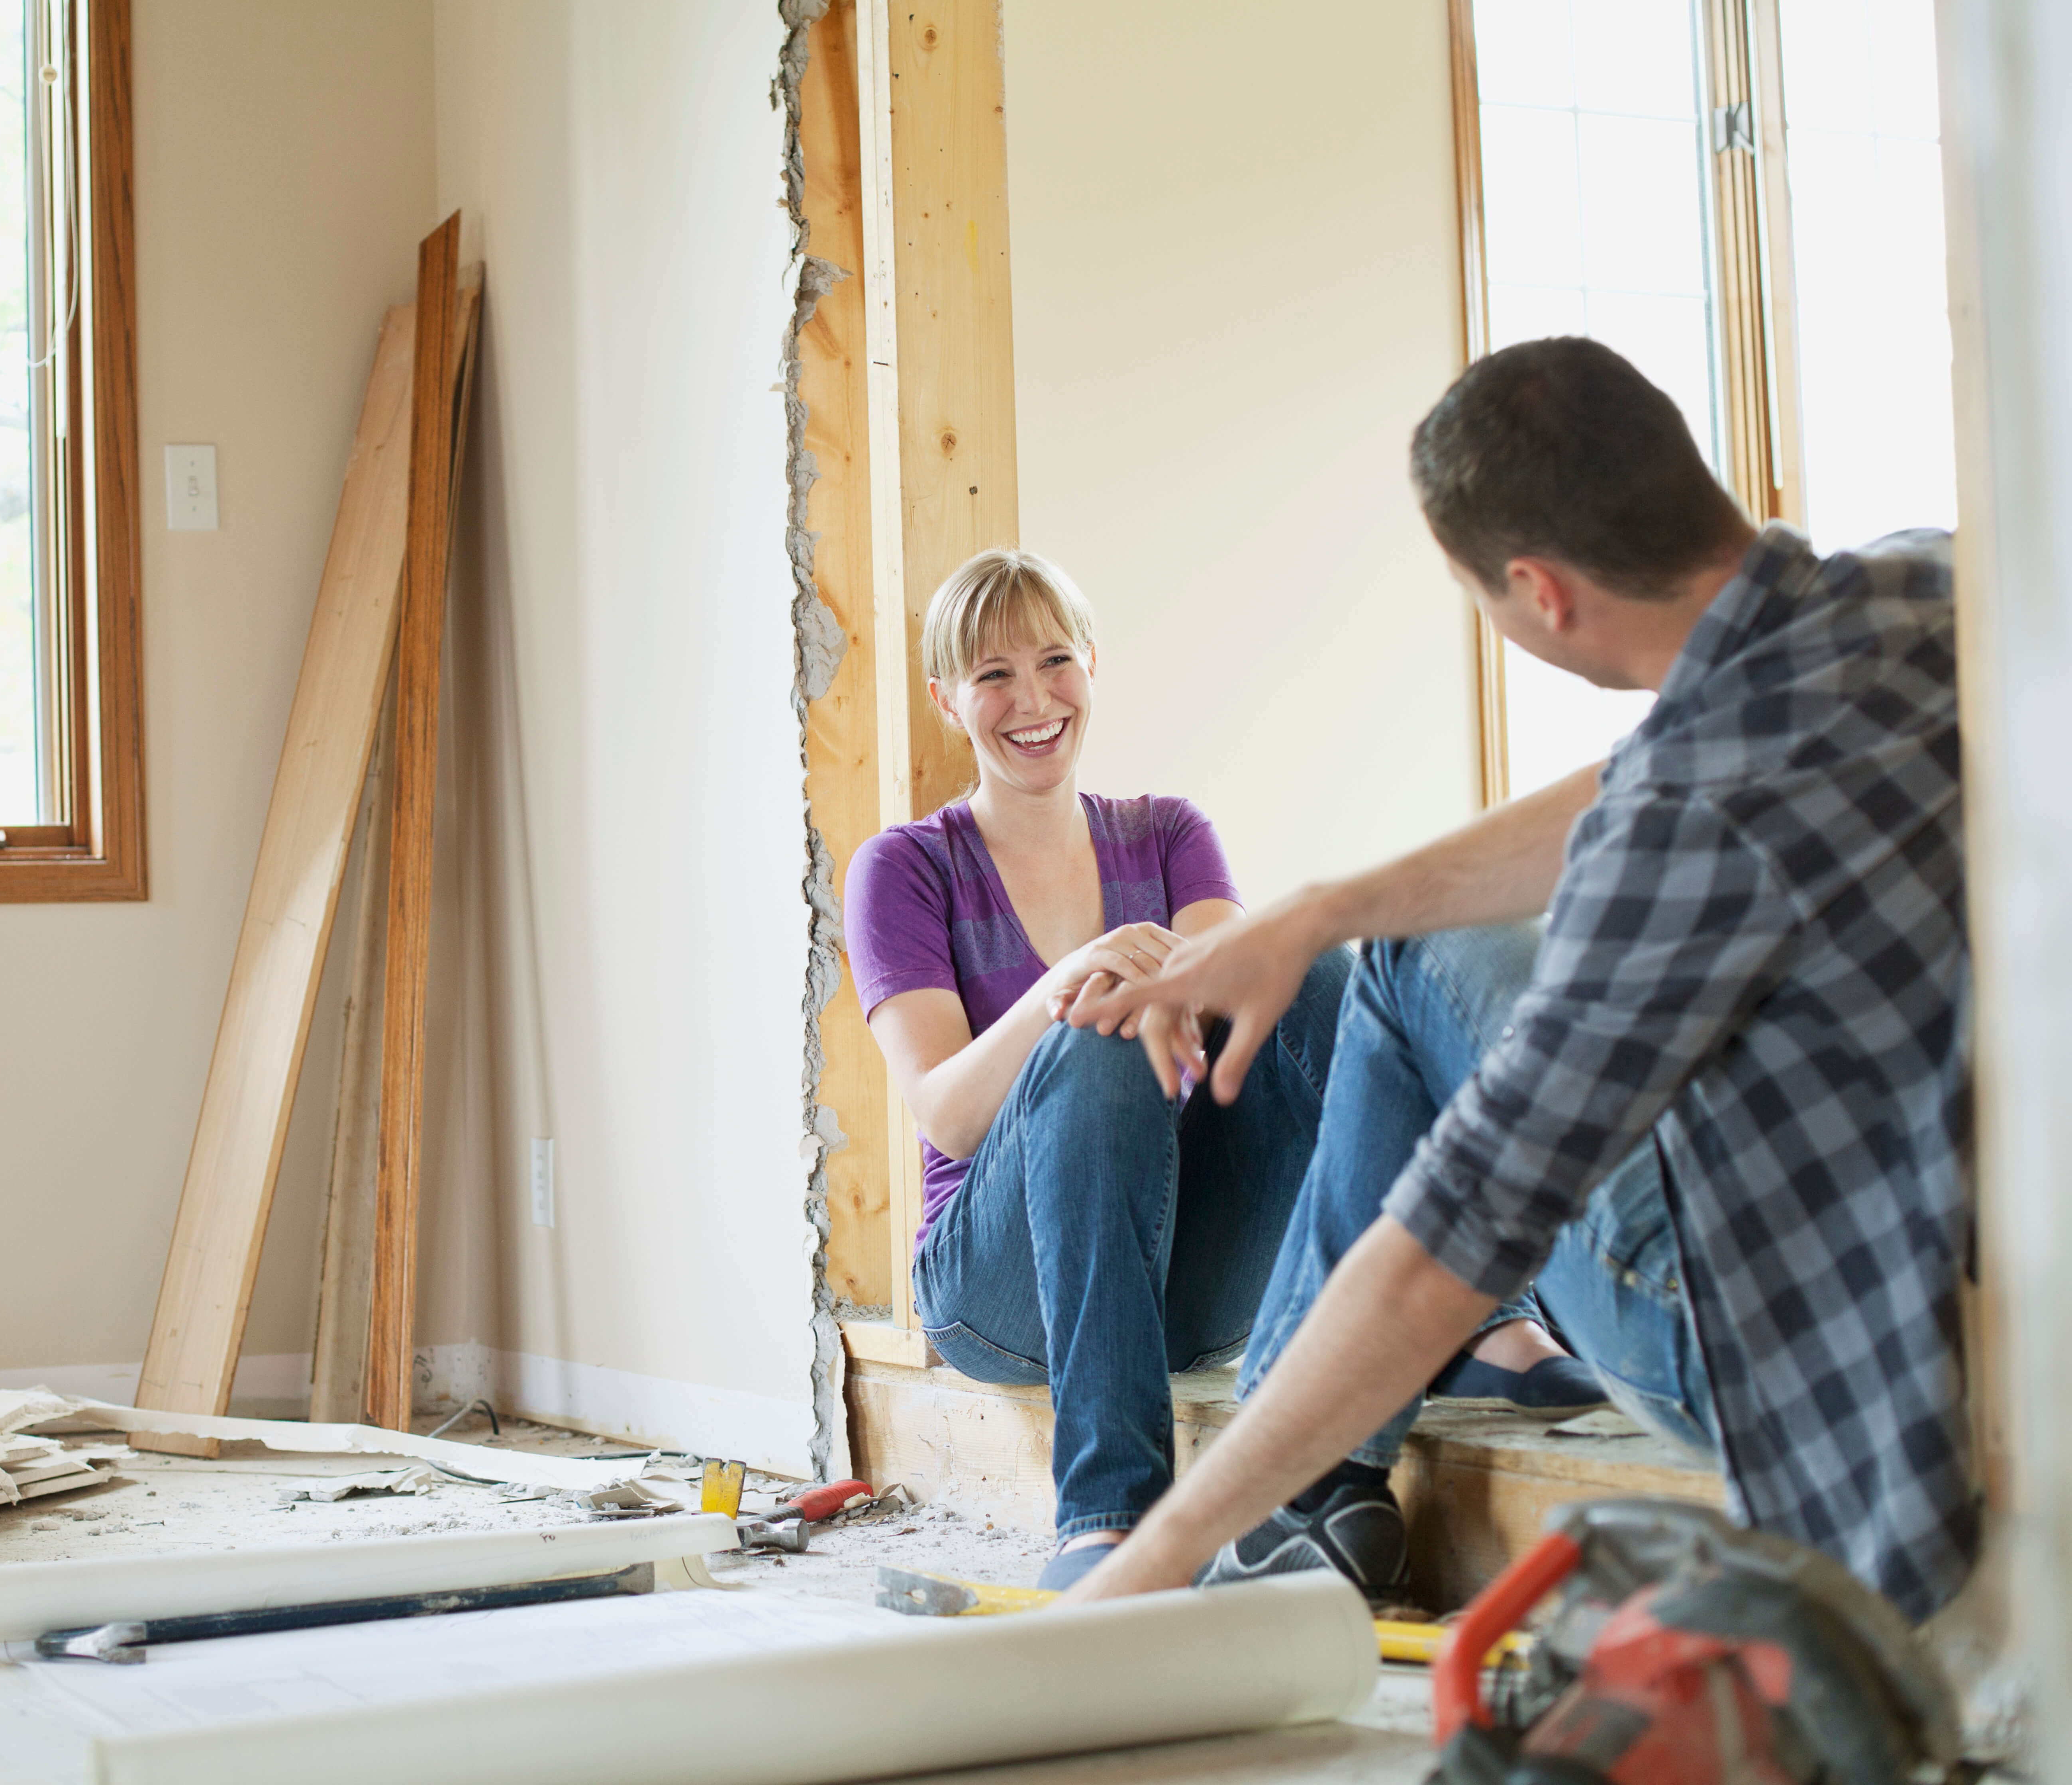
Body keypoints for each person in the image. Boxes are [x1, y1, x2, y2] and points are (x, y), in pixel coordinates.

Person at [1059, 336, 1974, 1622]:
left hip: (1787, 1346)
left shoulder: (1683, 828)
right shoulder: (1933, 587)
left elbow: (1435, 1252)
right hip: (1954, 1219)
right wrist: (1324, 906)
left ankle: (1290, 1512)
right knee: (1405, 939)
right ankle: (1322, 1500)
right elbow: (1650, 774)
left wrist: (1142, 1572)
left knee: (1408, 994)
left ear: (1538, 592)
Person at [841, 547, 1353, 1592]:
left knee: (1315, 965)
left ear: (1090, 668)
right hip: (1001, 1290)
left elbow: (1247, 1017)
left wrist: (1187, 977)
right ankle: (1108, 1518)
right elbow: (945, 1115)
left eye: (1054, 660)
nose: (1032, 699)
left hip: (1179, 1276)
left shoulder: (1169, 835)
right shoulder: (905, 870)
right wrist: (1068, 981)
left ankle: (1481, 1321)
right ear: (948, 698)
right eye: (992, 676)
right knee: (1094, 1035)